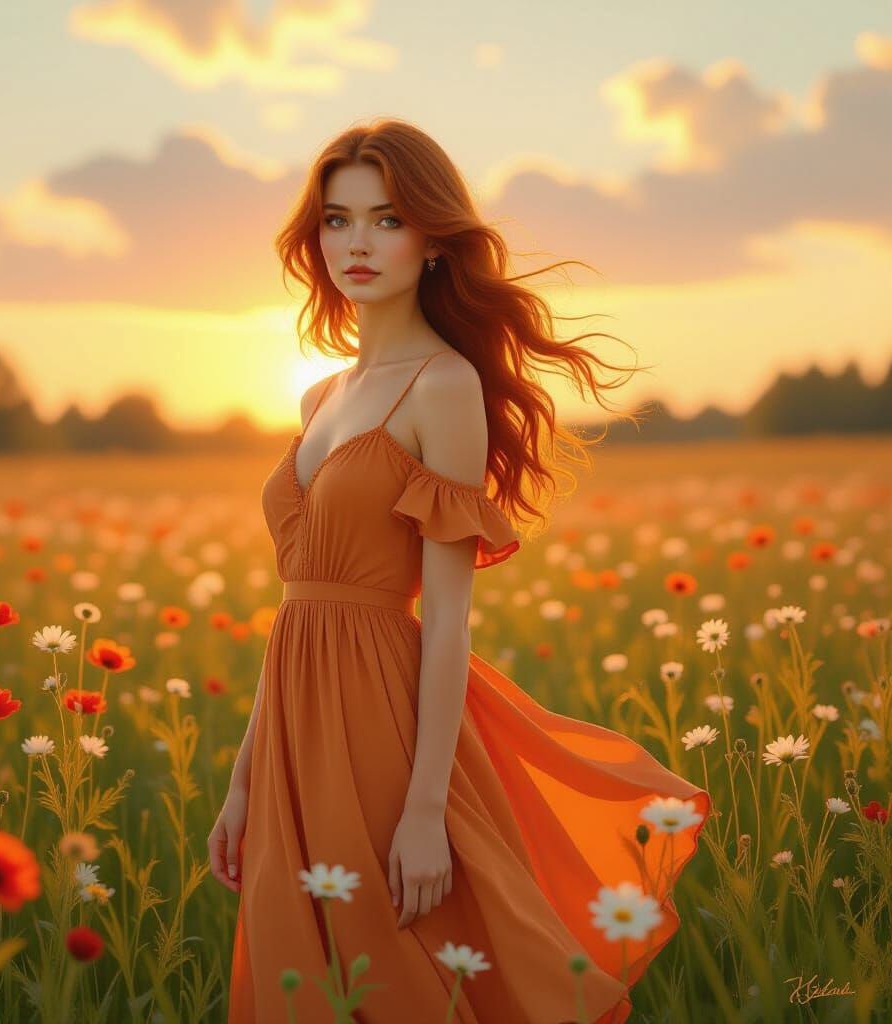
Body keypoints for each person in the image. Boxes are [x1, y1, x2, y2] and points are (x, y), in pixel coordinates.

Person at [209, 117, 709, 1023]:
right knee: (302, 974)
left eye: (388, 220)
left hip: (381, 723)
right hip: (290, 722)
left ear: (435, 240)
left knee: (393, 972)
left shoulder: (443, 386)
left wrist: (425, 809)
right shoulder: (318, 395)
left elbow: (445, 618)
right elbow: (298, 608)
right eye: (338, 220)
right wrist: (245, 781)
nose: (358, 244)